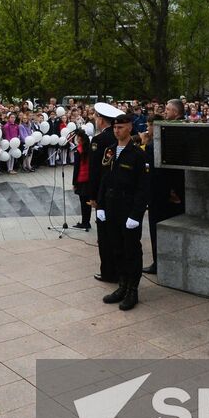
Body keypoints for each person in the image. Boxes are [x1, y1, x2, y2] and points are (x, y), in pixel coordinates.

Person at [97, 112, 150, 311]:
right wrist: (101, 206)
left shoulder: (137, 154)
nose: (116, 130)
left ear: (129, 128)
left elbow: (143, 188)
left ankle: (132, 290)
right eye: (115, 127)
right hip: (111, 207)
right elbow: (104, 180)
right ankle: (122, 285)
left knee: (131, 251)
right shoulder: (110, 151)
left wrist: (136, 215)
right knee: (116, 248)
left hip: (128, 209)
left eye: (120, 127)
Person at [144, 99, 186, 275]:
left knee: (157, 229)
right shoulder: (183, 128)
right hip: (174, 190)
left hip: (163, 192)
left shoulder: (166, 134)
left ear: (175, 113)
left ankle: (158, 263)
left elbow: (162, 169)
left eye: (168, 110)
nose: (165, 112)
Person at [84, 103, 121, 282]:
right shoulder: (118, 137)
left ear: (101, 119)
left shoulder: (98, 141)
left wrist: (92, 197)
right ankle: (118, 269)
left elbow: (94, 172)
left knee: (104, 236)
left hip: (103, 194)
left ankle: (108, 271)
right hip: (118, 191)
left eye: (96, 117)